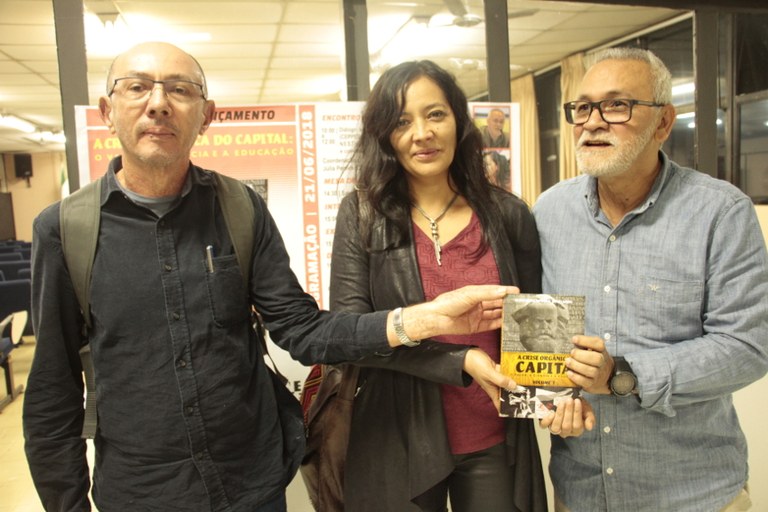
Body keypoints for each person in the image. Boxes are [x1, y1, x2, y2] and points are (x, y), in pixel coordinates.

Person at [23, 42, 530, 512]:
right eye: (137, 87)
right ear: (106, 111)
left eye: (180, 89)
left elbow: (301, 329)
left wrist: (413, 320)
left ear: (207, 116)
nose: (158, 103)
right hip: (141, 490)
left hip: (252, 482)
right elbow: (52, 390)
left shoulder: (239, 208)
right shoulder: (65, 230)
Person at [329, 60, 593, 512]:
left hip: (494, 439)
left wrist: (556, 402)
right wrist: (461, 360)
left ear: (459, 120)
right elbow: (350, 337)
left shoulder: (508, 214)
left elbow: (533, 334)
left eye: (435, 114)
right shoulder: (362, 215)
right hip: (396, 439)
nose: (422, 133)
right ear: (384, 136)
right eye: (401, 121)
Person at [534, 47, 768, 512]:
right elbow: (543, 332)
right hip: (580, 493)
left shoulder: (719, 212)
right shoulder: (548, 211)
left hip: (693, 495)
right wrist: (550, 397)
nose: (593, 121)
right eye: (582, 108)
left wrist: (623, 375)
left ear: (663, 123)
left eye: (617, 105)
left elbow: (747, 346)